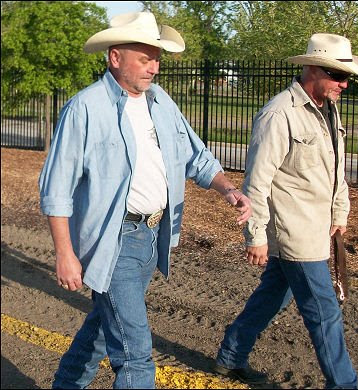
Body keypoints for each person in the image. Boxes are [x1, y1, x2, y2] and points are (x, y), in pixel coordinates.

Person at [39, 12, 251, 389]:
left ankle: (66, 384)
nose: (154, 67)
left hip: (153, 236)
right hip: (114, 241)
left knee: (106, 327)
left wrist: (227, 188)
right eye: (145, 58)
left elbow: (195, 155)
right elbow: (56, 189)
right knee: (136, 354)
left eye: (157, 58)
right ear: (115, 57)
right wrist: (64, 253)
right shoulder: (85, 109)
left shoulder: (160, 102)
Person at [213, 33, 358, 388]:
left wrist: (339, 214)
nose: (344, 84)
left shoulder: (327, 110)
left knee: (274, 294)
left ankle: (230, 356)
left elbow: (335, 170)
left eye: (346, 78)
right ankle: (345, 385)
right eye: (337, 76)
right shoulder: (279, 114)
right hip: (294, 232)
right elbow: (257, 179)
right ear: (312, 69)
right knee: (324, 312)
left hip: (317, 227)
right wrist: (254, 234)